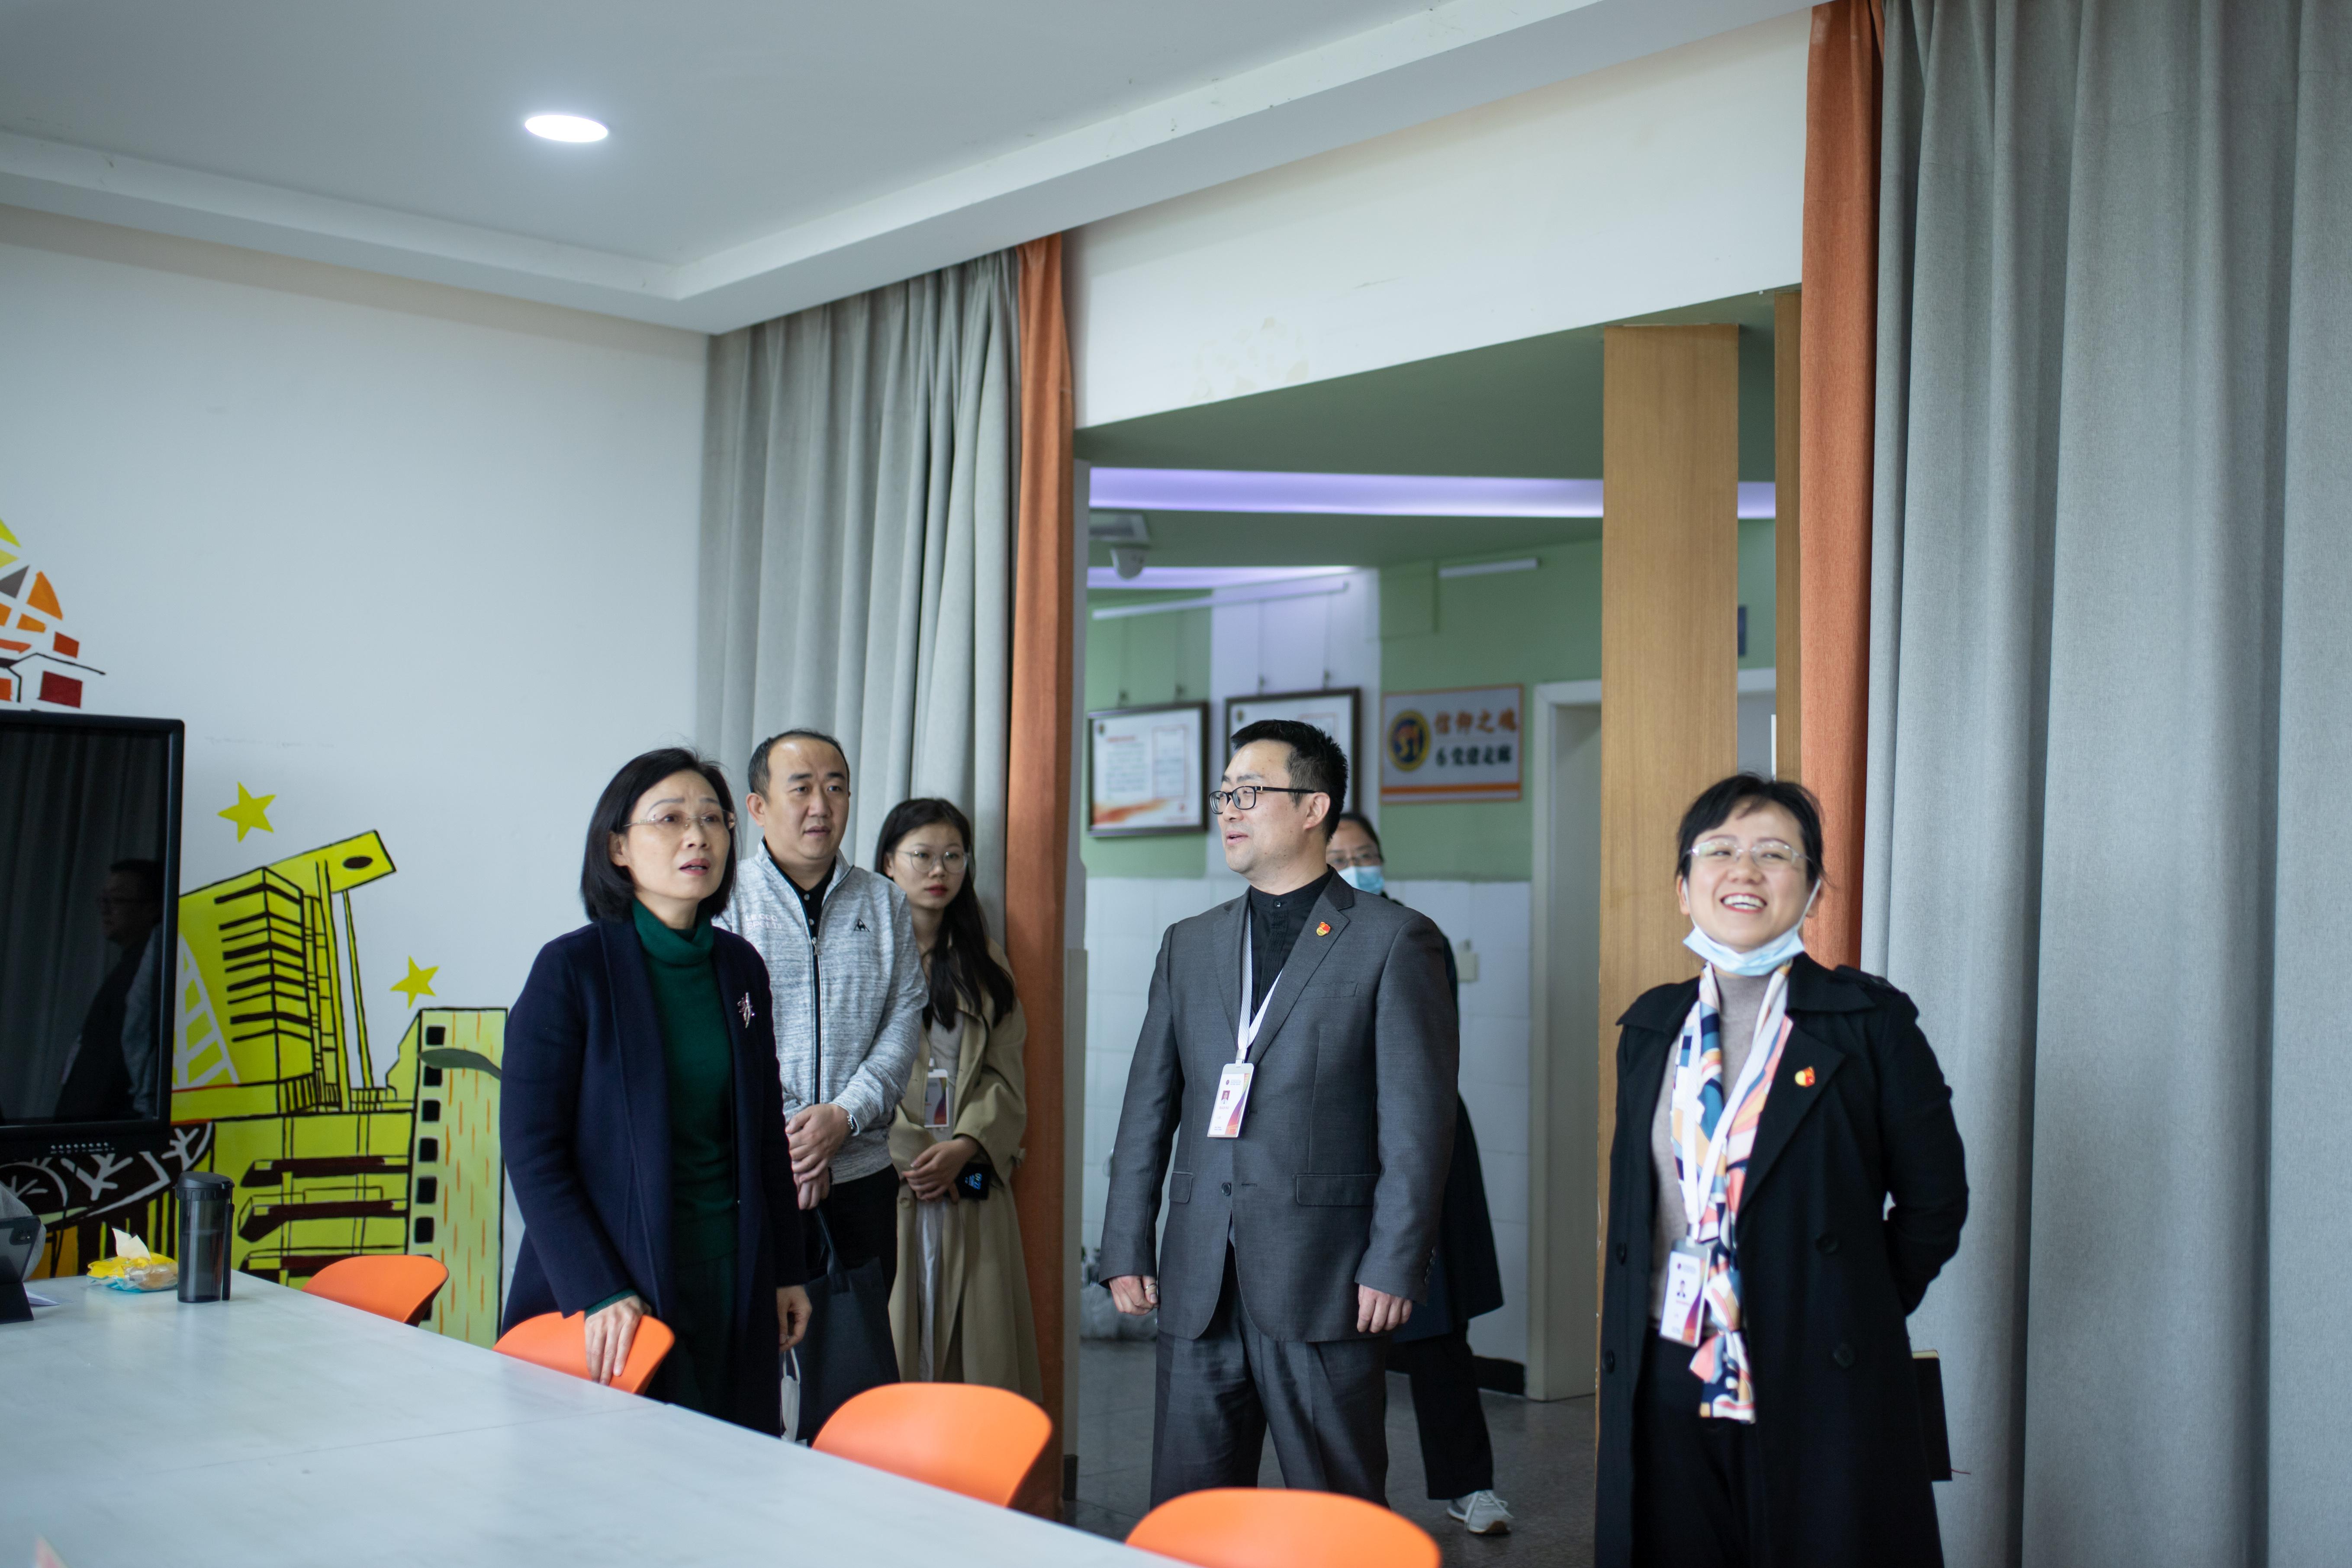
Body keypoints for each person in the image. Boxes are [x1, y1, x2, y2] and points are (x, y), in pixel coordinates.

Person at [1595, 773, 1968, 1568]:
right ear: (1683, 887)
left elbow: (1936, 1201)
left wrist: (1851, 1304)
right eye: (1719, 850)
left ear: (1813, 886)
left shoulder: (1869, 1023)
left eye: (1773, 853)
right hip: (1668, 1358)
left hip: (1816, 1366)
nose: (1744, 870)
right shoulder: (1651, 1027)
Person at [1101, 719, 1457, 1506]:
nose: (1229, 809)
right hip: (1198, 1275)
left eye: (1249, 792)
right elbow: (1147, 1105)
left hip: (1324, 1276)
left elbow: (1417, 1124)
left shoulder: (1395, 940)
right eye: (1224, 793)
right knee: (1189, 1510)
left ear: (1313, 807)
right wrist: (1125, 1239)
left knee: (1335, 1511)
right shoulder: (1189, 943)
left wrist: (1395, 1260)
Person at [502, 748, 812, 1431]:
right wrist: (598, 1286)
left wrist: (785, 1269)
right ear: (618, 846)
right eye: (669, 819)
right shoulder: (571, 969)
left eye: (712, 819)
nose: (697, 836)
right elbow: (531, 1150)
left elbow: (765, 1133)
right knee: (623, 1472)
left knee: (732, 1466)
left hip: (732, 1271)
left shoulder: (739, 967)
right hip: (619, 1282)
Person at [718, 730, 927, 1408]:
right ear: (756, 806)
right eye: (801, 787)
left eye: (835, 786)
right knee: (749, 1361)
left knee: (850, 1375)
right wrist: (793, 1139)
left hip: (861, 1173)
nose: (821, 804)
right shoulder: (725, 900)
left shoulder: (884, 901)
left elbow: (904, 1018)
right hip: (756, 1175)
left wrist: (843, 1116)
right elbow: (725, 1031)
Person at [1326, 811, 1513, 1537]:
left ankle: (1471, 1485)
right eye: (1340, 856)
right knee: (1340, 1340)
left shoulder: (1413, 934)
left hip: (1417, 1142)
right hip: (1334, 1155)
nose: (1356, 865)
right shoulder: (1294, 938)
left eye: (1365, 853)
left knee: (1435, 1329)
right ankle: (1348, 1501)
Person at [873, 798, 1042, 1401]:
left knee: (976, 1348)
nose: (938, 869)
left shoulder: (983, 960)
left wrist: (966, 1145)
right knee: (893, 1342)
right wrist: (912, 1153)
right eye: (921, 855)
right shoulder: (868, 955)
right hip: (892, 1175)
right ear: (888, 862)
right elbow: (847, 1073)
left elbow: (1005, 1068)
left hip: (970, 1174)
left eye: (952, 855)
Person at [54, 859, 163, 1123]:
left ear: (152, 909)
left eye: (117, 900)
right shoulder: (128, 967)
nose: (105, 909)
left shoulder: (150, 970)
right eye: (103, 899)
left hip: (113, 1131)